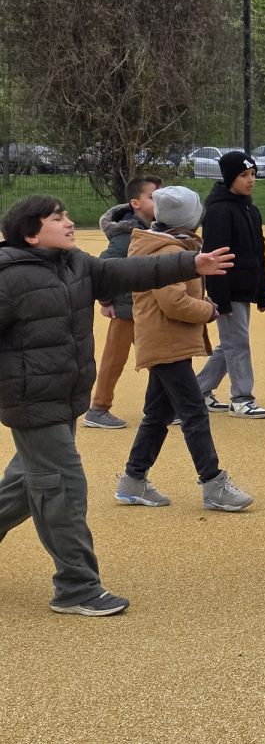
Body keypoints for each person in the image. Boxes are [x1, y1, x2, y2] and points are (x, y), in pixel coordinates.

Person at [0, 193, 234, 616]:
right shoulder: (9, 279)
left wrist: (189, 263)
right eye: (59, 218)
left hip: (63, 397)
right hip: (32, 403)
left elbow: (128, 270)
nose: (70, 222)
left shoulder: (75, 265)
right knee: (62, 488)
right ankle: (75, 587)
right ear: (32, 234)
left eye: (67, 214)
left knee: (25, 485)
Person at [115, 186, 254, 513]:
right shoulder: (165, 252)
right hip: (166, 342)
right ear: (191, 220)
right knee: (193, 412)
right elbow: (173, 301)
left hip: (163, 340)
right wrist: (208, 310)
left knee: (159, 413)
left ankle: (133, 480)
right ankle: (212, 482)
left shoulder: (165, 245)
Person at [83, 174, 162, 430]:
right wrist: (106, 300)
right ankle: (98, 409)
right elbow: (104, 268)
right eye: (152, 197)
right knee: (114, 360)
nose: (158, 201)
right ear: (135, 203)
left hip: (144, 308)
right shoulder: (126, 235)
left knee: (157, 356)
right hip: (124, 310)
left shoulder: (154, 230)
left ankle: (166, 404)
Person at [197, 151, 265, 419]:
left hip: (244, 288)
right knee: (237, 343)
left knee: (230, 343)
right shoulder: (219, 212)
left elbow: (259, 254)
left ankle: (197, 391)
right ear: (229, 178)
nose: (251, 180)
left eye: (253, 175)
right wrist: (220, 299)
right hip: (227, 291)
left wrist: (262, 292)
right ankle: (242, 398)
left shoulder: (251, 209)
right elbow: (215, 260)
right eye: (244, 175)